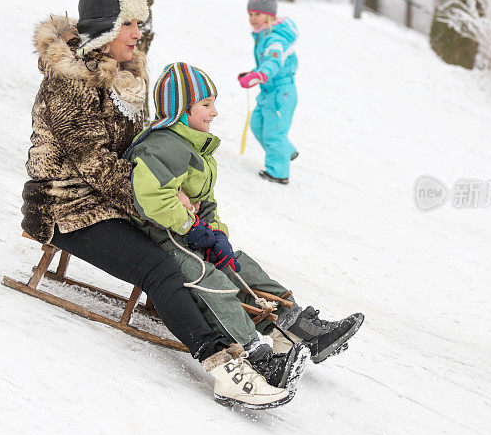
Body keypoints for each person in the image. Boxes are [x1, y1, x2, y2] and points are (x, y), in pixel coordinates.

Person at [20, 0, 250, 406]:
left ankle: (258, 335)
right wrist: (159, 202)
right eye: (128, 23)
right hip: (67, 207)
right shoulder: (68, 85)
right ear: (107, 30)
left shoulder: (124, 78)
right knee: (160, 268)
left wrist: (173, 191)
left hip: (110, 203)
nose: (136, 33)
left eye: (138, 23)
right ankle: (223, 364)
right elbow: (96, 165)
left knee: (185, 250)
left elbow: (137, 154)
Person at [124, 62, 365, 407]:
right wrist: (194, 230)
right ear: (181, 110)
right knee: (209, 279)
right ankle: (253, 352)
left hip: (188, 233)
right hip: (162, 238)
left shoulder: (195, 148)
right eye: (206, 105)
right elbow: (154, 199)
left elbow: (206, 203)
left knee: (239, 266)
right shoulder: (161, 147)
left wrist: (215, 234)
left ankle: (299, 328)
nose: (215, 112)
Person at [238, 0, 300, 185]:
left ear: (270, 16)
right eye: (250, 13)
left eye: (258, 13)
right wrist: (253, 73)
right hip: (268, 92)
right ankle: (285, 151)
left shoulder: (274, 38)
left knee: (273, 132)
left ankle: (278, 172)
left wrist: (261, 75)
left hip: (281, 92)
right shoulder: (262, 36)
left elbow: (274, 61)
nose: (253, 18)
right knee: (257, 125)